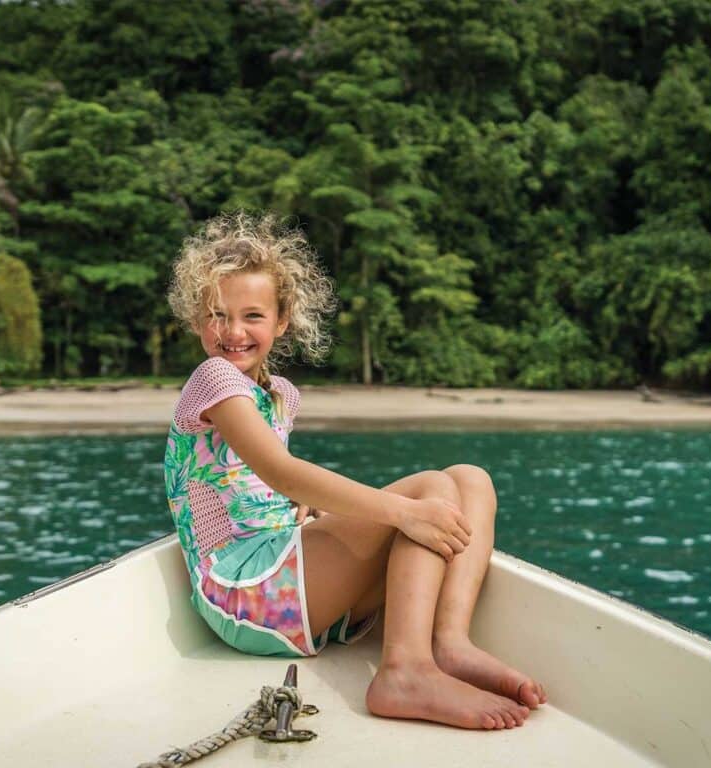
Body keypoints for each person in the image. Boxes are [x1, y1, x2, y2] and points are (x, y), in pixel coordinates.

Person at [164, 211, 547, 730]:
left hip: (280, 568)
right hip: (242, 593)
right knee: (432, 491)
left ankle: (450, 642)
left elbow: (259, 481)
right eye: (216, 314)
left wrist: (302, 504)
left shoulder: (278, 396)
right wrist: (402, 512)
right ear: (195, 321)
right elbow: (281, 471)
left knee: (471, 478)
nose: (232, 331)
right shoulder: (213, 379)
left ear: (281, 322)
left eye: (252, 315)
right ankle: (404, 672)